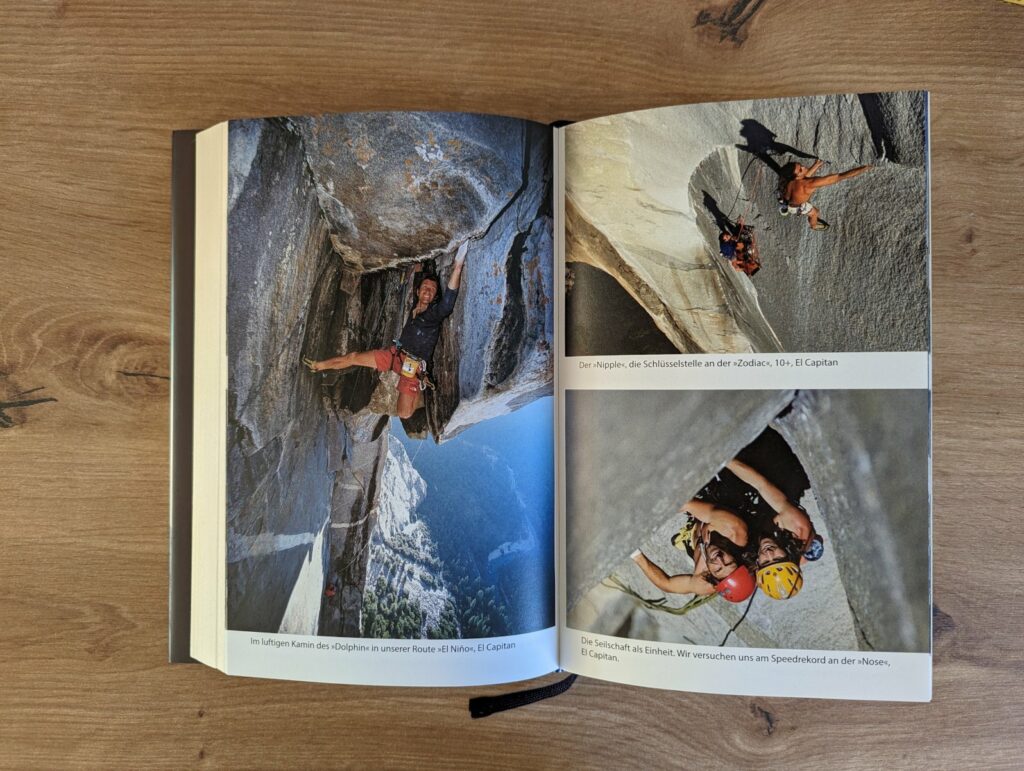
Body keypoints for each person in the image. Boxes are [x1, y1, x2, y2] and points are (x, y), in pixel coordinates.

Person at [304, 240, 468, 419]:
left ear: (435, 296)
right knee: (353, 357)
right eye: (425, 288)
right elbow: (418, 271)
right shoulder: (415, 307)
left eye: (432, 290)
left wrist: (458, 265)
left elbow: (448, 304)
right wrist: (419, 255)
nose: (428, 291)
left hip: (412, 368)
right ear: (418, 291)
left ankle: (421, 387)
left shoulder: (432, 316)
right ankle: (318, 365)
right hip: (394, 355)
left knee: (404, 414)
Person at [725, 458, 822, 600]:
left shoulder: (754, 559)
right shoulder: (797, 527)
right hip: (779, 473)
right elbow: (761, 484)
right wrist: (723, 460)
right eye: (777, 558)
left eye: (765, 562)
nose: (768, 553)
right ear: (789, 555)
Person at [631, 498, 755, 604]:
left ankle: (690, 538)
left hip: (698, 536)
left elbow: (667, 584)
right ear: (736, 559)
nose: (719, 560)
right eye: (729, 562)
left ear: (710, 576)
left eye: (718, 569)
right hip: (711, 510)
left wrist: (635, 554)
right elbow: (685, 503)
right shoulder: (733, 528)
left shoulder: (702, 581)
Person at [779, 160, 872, 231]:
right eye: (800, 169)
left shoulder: (790, 180)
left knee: (799, 198)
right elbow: (840, 177)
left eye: (800, 165)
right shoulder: (809, 184)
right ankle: (814, 226)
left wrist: (816, 165)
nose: (803, 167)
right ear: (796, 175)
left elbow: (803, 178)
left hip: (788, 201)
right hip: (797, 207)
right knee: (814, 213)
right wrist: (865, 167)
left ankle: (784, 208)